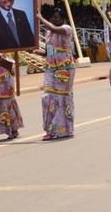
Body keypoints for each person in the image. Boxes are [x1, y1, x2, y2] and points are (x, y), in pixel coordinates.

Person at [34, 8, 76, 140]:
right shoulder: (48, 33)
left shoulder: (66, 29)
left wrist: (40, 18)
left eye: (56, 17)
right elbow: (48, 52)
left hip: (65, 68)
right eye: (52, 17)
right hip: (51, 68)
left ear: (63, 19)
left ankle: (66, 128)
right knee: (48, 97)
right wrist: (33, 51)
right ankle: (50, 129)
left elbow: (53, 28)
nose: (53, 19)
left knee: (63, 98)